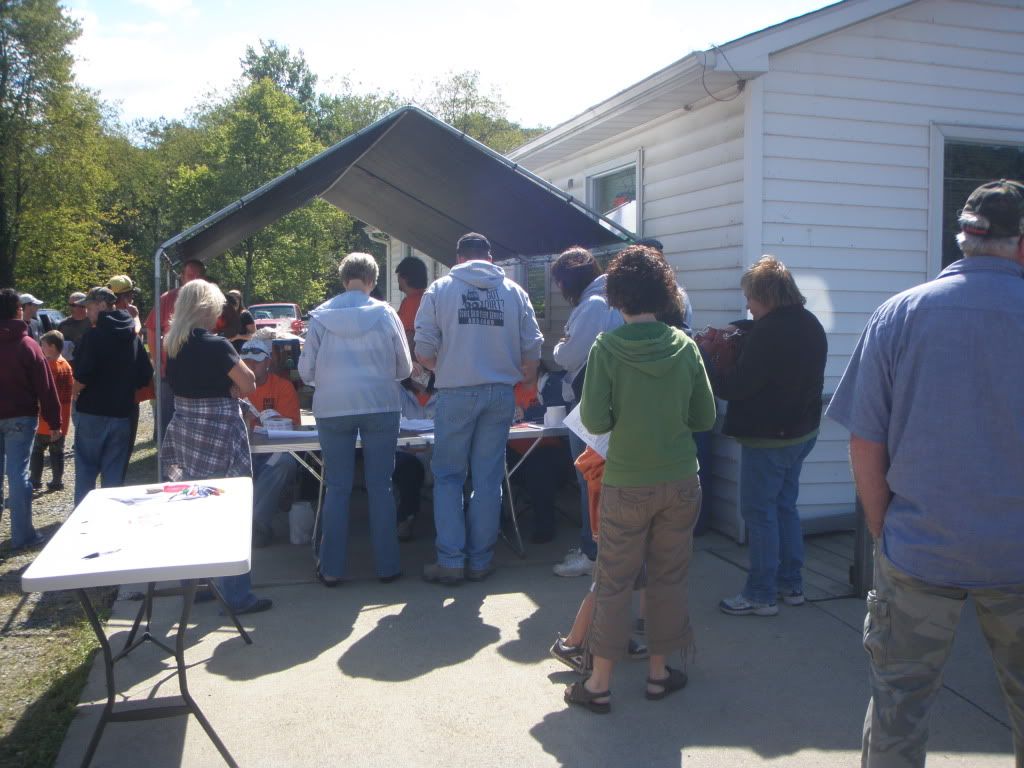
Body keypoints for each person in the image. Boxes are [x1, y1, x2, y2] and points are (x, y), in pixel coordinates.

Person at [827, 179, 1024, 767]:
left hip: (918, 548)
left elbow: (865, 439)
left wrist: (884, 525)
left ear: (963, 239)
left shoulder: (899, 313)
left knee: (898, 706)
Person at [564, 245, 715, 714]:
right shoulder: (685, 346)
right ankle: (657, 674)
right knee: (668, 579)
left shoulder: (606, 348)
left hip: (627, 481)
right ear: (664, 292)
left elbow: (594, 417)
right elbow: (704, 416)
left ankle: (599, 684)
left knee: (614, 580)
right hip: (680, 480)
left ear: (617, 296)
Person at [414, 232, 543, 584]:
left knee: (448, 477)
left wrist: (450, 367)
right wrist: (526, 384)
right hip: (501, 393)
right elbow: (532, 349)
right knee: (487, 478)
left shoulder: (440, 290)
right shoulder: (515, 292)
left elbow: (423, 350)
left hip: (456, 393)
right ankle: (481, 560)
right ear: (490, 256)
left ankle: (451, 561)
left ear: (458, 258)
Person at [712, 256, 827, 617]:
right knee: (783, 507)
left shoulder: (767, 333)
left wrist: (705, 359)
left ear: (766, 296)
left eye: (750, 297)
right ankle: (791, 585)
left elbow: (735, 387)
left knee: (758, 514)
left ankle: (761, 593)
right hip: (802, 433)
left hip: (769, 438)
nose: (747, 305)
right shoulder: (810, 323)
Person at [299, 252, 411, 586]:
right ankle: (388, 566)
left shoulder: (321, 317)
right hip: (380, 403)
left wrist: (329, 381)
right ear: (373, 280)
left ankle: (332, 568)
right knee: (381, 486)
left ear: (342, 278)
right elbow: (404, 367)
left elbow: (306, 372)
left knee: (337, 487)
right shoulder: (386, 313)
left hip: (333, 407)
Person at [161, 279, 272, 615]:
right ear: (208, 308)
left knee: (193, 508)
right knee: (230, 512)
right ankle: (237, 595)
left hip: (186, 430)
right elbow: (248, 383)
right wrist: (234, 390)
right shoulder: (217, 345)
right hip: (219, 429)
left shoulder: (172, 344)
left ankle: (198, 584)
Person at [549, 246, 623, 577]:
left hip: (590, 403)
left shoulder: (593, 305)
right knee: (604, 481)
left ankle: (592, 552)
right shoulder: (615, 298)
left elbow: (566, 356)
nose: (559, 291)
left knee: (589, 480)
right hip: (614, 400)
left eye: (560, 283)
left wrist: (558, 345)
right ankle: (604, 549)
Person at [72, 287, 153, 506]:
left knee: (86, 472)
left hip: (92, 413)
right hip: (122, 414)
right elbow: (145, 374)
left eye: (89, 307)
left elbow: (82, 375)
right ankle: (110, 523)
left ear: (102, 305)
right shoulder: (132, 336)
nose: (87, 312)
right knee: (114, 476)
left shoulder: (93, 336)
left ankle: (83, 524)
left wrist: (73, 393)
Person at [0, 288, 61, 552]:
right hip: (21, 416)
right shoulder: (28, 345)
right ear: (18, 310)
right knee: (17, 474)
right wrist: (55, 421)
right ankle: (22, 535)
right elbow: (45, 386)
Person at [239, 333, 299, 548]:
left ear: (267, 362)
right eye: (245, 363)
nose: (250, 368)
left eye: (255, 363)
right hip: (242, 451)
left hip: (271, 452)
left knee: (285, 462)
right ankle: (253, 524)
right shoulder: (235, 388)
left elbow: (291, 425)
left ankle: (256, 523)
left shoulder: (283, 387)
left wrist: (265, 421)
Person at [145, 258, 206, 433]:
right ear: (182, 277)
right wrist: (158, 363)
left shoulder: (209, 299)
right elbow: (152, 330)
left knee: (196, 417)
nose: (193, 279)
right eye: (190, 275)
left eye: (197, 276)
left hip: (200, 370)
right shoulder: (168, 298)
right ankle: (166, 458)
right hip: (170, 369)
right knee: (168, 417)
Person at [394, 376, 436, 542]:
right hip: (405, 451)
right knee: (408, 468)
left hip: (437, 451)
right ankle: (406, 518)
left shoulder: (446, 392)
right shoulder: (396, 391)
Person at [30, 331, 73, 492]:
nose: (41, 348)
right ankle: (57, 481)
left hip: (45, 418)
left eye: (43, 345)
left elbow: (44, 393)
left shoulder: (48, 367)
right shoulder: (67, 366)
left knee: (37, 450)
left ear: (52, 347)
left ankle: (35, 480)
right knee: (57, 451)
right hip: (63, 417)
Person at [395, 255, 428, 351]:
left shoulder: (411, 303)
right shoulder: (429, 298)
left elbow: (409, 337)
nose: (398, 279)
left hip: (414, 362)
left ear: (405, 278)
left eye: (399, 275)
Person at [58, 292, 91, 360]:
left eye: (73, 305)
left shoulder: (93, 323)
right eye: (70, 305)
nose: (70, 308)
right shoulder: (63, 324)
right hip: (69, 364)